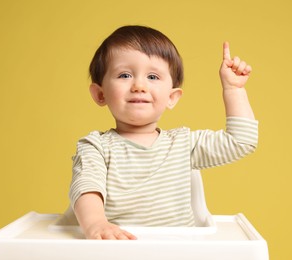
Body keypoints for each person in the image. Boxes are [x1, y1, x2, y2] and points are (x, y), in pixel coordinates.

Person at [69, 25, 258, 240]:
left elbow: (241, 141)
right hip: (119, 247)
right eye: (124, 75)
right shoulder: (95, 146)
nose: (139, 85)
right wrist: (96, 224)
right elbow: (87, 188)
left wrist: (234, 90)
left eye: (152, 77)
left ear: (172, 97)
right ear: (100, 94)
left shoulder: (184, 144)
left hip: (178, 248)